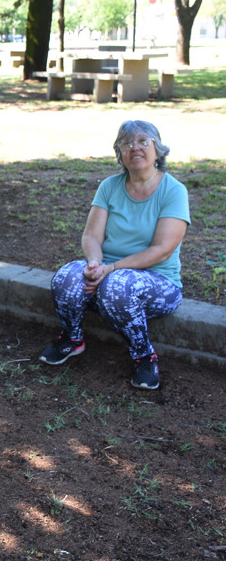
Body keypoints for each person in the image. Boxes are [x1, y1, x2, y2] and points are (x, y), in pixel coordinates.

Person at [39, 120, 191, 391]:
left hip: (158, 282)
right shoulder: (110, 186)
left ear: (158, 149)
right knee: (66, 277)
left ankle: (144, 356)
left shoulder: (173, 190)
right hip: (107, 276)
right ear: (119, 152)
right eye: (127, 143)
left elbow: (162, 250)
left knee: (117, 287)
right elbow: (92, 236)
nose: (135, 148)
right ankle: (72, 339)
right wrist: (95, 263)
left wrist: (112, 269)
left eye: (144, 141)